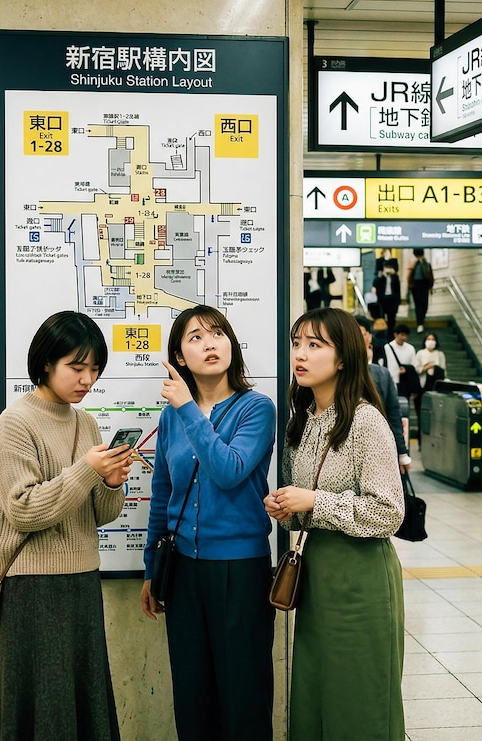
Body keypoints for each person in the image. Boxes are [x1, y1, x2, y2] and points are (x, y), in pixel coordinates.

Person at [0, 311, 130, 740]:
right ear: (46, 363)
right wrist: (87, 470)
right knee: (41, 698)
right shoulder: (15, 422)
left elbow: (99, 515)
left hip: (82, 577)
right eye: (77, 367)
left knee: (81, 694)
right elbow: (24, 510)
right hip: (32, 584)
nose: (87, 379)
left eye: (95, 369)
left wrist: (110, 483)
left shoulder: (85, 422)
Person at [264, 307, 405, 740]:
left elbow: (389, 512)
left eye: (314, 345)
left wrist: (316, 501)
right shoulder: (301, 420)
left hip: (360, 578)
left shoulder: (366, 421)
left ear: (343, 358)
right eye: (296, 344)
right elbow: (307, 501)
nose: (300, 355)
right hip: (317, 576)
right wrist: (288, 507)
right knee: (316, 691)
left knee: (358, 695)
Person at [141, 305, 277, 741]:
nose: (209, 343)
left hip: (239, 569)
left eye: (217, 333)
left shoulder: (257, 408)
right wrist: (151, 570)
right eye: (195, 337)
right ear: (180, 356)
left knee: (243, 693)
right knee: (192, 693)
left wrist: (187, 408)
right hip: (182, 570)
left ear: (231, 344)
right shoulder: (170, 418)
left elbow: (230, 469)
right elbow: (162, 495)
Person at [355, 314, 410, 473]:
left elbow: (393, 414)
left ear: (369, 337)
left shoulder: (382, 375)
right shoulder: (335, 371)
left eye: (360, 333)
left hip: (378, 449)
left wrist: (401, 453)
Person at [413, 332, 447, 418]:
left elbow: (444, 370)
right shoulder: (420, 353)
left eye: (433, 339)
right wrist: (427, 367)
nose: (431, 341)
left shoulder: (440, 354)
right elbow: (417, 369)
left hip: (435, 383)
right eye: (429, 339)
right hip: (423, 384)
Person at [384, 324, 419, 400]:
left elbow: (414, 365)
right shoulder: (387, 347)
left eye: (406, 335)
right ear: (395, 334)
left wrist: (407, 370)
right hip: (391, 380)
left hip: (405, 381)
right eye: (402, 335)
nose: (404, 338)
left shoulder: (410, 348)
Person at [407, 248, 434, 333]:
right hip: (415, 285)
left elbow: (430, 275)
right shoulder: (413, 263)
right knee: (418, 305)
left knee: (424, 304)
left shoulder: (426, 263)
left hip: (424, 285)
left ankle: (421, 320)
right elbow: (409, 275)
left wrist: (430, 285)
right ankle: (420, 323)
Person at [372, 257, 401, 330]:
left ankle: (390, 334)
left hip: (392, 299)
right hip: (382, 299)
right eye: (386, 267)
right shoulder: (380, 277)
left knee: (392, 319)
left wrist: (398, 302)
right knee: (381, 318)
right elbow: (375, 284)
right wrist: (381, 275)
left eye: (389, 267)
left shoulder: (395, 277)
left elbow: (398, 290)